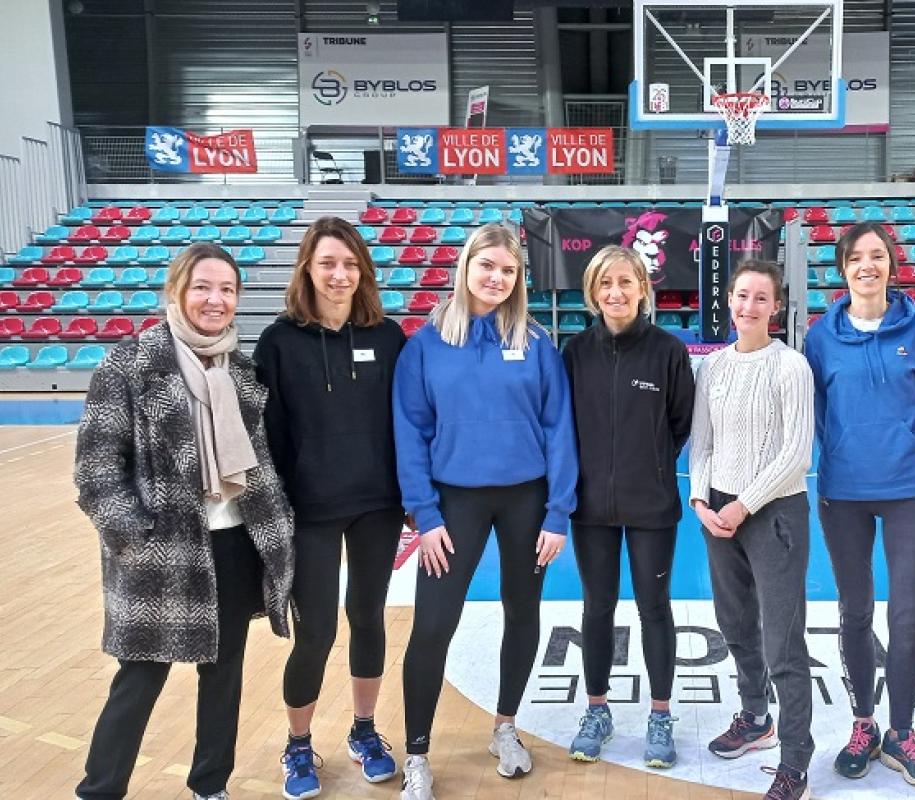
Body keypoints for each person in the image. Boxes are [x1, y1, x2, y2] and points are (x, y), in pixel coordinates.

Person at [73, 242, 294, 800]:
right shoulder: (128, 364)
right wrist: (132, 537)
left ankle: (210, 786)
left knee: (223, 679)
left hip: (235, 545)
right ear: (177, 291)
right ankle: (100, 790)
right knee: (139, 678)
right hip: (161, 550)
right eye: (202, 287)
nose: (214, 300)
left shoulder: (242, 371)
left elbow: (263, 464)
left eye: (226, 289)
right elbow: (96, 468)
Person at [392, 223, 577, 800]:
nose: (496, 278)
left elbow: (559, 428)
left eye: (508, 270)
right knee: (432, 625)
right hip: (453, 504)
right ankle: (417, 754)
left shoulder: (538, 341)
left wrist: (557, 512)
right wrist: (424, 513)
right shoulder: (424, 344)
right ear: (466, 267)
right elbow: (410, 431)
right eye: (487, 266)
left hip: (526, 500)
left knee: (523, 614)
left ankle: (505, 727)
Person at [252, 217, 409, 799]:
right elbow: (265, 435)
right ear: (308, 270)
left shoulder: (390, 337)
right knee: (314, 631)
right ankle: (298, 744)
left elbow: (408, 424)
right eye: (327, 264)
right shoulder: (279, 341)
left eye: (349, 264)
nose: (339, 275)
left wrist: (415, 498)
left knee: (367, 618)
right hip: (308, 511)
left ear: (363, 270)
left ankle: (364, 731)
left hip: (378, 506)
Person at [803, 221, 915, 786]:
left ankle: (901, 733)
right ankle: (863, 724)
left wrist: (897, 447)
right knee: (855, 612)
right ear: (842, 268)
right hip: (844, 493)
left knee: (907, 618)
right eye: (857, 256)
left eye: (878, 255)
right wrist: (842, 451)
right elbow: (816, 411)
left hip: (909, 488)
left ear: (891, 264)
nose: (867, 265)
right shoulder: (819, 336)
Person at [560, 246, 694, 768]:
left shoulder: (667, 351)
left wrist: (653, 466)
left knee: (653, 607)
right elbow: (562, 427)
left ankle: (660, 715)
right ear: (593, 293)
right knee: (597, 607)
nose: (616, 293)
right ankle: (598, 711)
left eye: (625, 282)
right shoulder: (573, 353)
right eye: (605, 284)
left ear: (642, 287)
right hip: (589, 505)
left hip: (651, 506)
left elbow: (681, 423)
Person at [689, 260, 815, 800]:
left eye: (760, 298)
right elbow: (702, 442)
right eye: (741, 296)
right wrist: (699, 497)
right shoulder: (712, 368)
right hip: (717, 512)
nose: (748, 307)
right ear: (730, 301)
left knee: (783, 641)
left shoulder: (791, 367)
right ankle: (754, 717)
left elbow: (795, 453)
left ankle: (795, 760)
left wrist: (743, 504)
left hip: (774, 513)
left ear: (776, 307)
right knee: (735, 624)